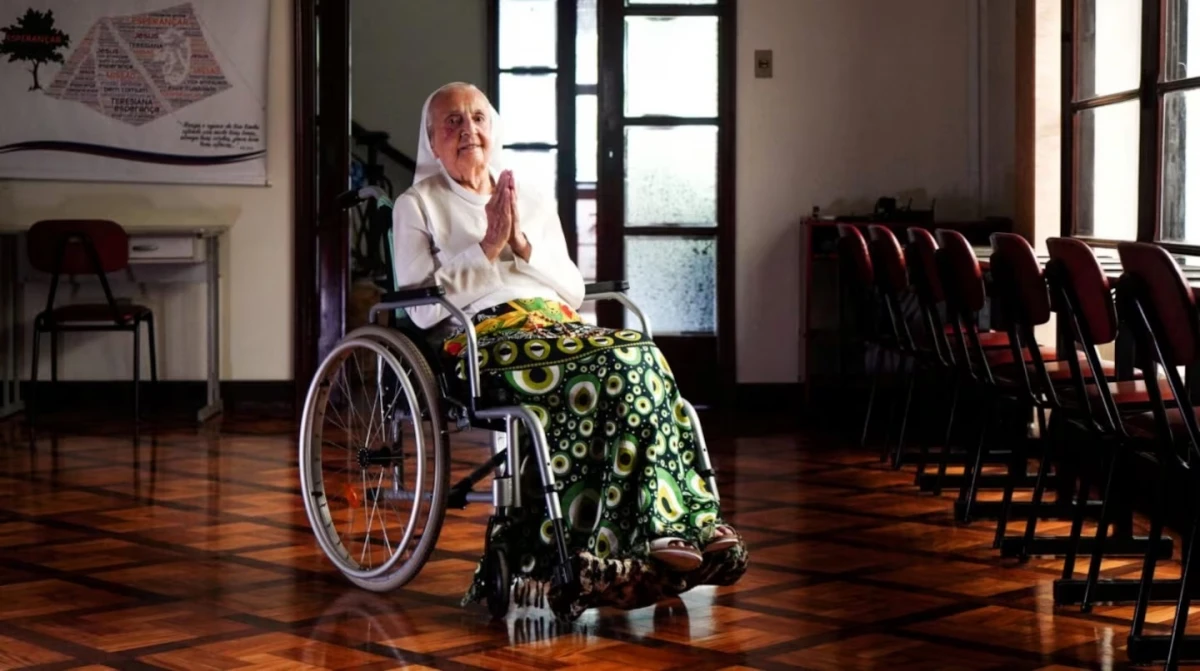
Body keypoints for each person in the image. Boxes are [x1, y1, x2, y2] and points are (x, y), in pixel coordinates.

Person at [391, 82, 747, 619]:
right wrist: (486, 246)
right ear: (432, 143)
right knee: (612, 362)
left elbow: (572, 289)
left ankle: (681, 523)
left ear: (495, 128)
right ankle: (628, 538)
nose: (469, 130)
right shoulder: (416, 204)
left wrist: (522, 246)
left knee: (635, 353)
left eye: (478, 118)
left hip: (556, 327)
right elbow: (420, 309)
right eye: (452, 123)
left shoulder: (529, 196)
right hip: (483, 339)